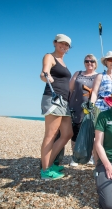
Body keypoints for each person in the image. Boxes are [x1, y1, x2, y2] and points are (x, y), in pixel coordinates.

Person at [39, 34, 73, 180]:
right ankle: (45, 170)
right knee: (51, 135)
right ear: (55, 43)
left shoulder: (63, 61)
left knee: (67, 134)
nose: (64, 46)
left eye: (66, 45)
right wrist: (46, 76)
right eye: (61, 43)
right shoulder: (50, 56)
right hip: (53, 99)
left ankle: (50, 163)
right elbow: (44, 72)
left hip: (64, 102)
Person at [68, 54, 99, 166]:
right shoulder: (78, 73)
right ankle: (75, 156)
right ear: (84, 62)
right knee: (75, 132)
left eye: (92, 61)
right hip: (76, 106)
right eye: (87, 61)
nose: (89, 63)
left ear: (96, 64)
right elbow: (70, 89)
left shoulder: (99, 76)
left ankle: (89, 155)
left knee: (91, 132)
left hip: (91, 108)